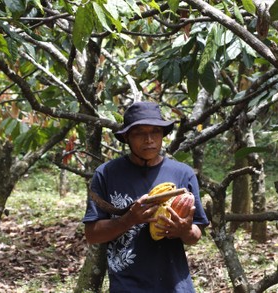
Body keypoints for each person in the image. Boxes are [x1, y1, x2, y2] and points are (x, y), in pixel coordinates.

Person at [82, 101, 209, 292]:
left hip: (174, 285)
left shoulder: (183, 174)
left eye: (155, 132)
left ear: (162, 135)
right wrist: (128, 220)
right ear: (126, 137)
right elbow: (92, 235)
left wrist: (184, 231)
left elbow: (195, 234)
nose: (149, 139)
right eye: (139, 133)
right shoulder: (107, 174)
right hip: (127, 286)